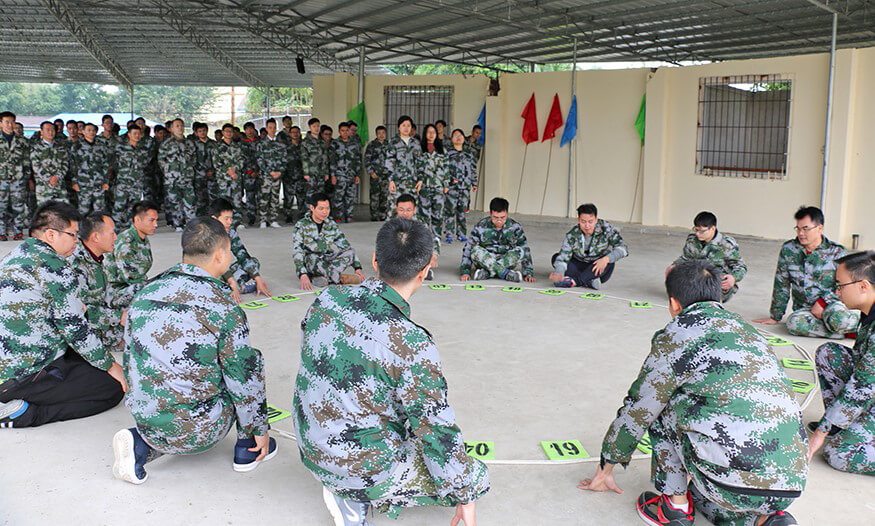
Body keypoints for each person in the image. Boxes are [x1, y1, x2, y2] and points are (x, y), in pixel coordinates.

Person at [579, 260, 808, 526]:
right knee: (714, 490)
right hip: (790, 481)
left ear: (674, 304)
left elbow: (640, 407)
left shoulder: (680, 333)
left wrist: (607, 465)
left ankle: (674, 507)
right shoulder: (750, 332)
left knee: (662, 399)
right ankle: (767, 518)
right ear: (718, 297)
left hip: (727, 481)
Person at [294, 218, 489, 525]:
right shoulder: (411, 343)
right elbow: (436, 430)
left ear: (374, 260)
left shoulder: (328, 298)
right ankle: (351, 497)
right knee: (474, 474)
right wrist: (465, 493)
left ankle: (345, 482)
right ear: (425, 270)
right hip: (355, 466)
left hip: (310, 444)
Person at [112, 217, 275, 484]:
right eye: (229, 251)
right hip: (201, 431)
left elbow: (130, 358)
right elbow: (243, 377)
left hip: (146, 418)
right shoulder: (223, 305)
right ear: (220, 254)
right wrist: (259, 426)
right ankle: (248, 447)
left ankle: (140, 444)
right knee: (245, 366)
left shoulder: (146, 293)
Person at [0, 201, 126, 429]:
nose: (77, 241)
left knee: (87, 363)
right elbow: (75, 330)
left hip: (11, 364)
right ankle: (25, 414)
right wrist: (111, 365)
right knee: (112, 387)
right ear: (51, 234)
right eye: (73, 235)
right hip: (25, 374)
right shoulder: (55, 266)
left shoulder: (15, 256)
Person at [809, 251, 875, 475]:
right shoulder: (868, 312)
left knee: (838, 454)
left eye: (841, 285)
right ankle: (840, 427)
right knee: (830, 354)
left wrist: (821, 433)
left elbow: (862, 385)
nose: (837, 292)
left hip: (869, 388)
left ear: (863, 286)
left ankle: (841, 430)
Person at [753, 206, 860, 338]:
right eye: (798, 228)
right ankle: (846, 334)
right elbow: (781, 284)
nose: (801, 233)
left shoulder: (836, 252)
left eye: (805, 229)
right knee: (794, 324)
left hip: (831, 305)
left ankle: (858, 327)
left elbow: (847, 285)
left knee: (840, 320)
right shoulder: (789, 250)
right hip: (804, 310)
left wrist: (823, 302)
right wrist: (775, 316)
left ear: (819, 228)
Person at [70, 211, 124, 352]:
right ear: (95, 237)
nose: (116, 238)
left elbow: (107, 296)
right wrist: (119, 317)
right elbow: (79, 310)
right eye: (112, 233)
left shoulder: (95, 258)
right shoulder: (77, 265)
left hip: (100, 318)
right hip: (83, 333)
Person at [291, 192, 365, 291]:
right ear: (312, 208)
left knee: (350, 252)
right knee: (313, 258)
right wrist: (302, 274)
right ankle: (338, 278)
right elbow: (297, 250)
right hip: (312, 262)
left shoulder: (331, 224)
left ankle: (325, 278)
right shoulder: (301, 225)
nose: (325, 212)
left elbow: (345, 245)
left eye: (327, 208)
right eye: (321, 209)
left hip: (327, 259)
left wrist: (357, 268)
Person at [668, 211, 747, 302]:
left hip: (716, 282)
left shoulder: (726, 244)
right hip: (697, 278)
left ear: (712, 228)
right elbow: (686, 258)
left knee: (704, 300)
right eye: (696, 230)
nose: (697, 234)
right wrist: (673, 266)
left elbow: (740, 266)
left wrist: (733, 278)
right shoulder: (692, 240)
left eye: (702, 231)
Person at [548, 203, 628, 289]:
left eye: (590, 222)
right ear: (578, 220)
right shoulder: (573, 234)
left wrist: (606, 259)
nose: (587, 226)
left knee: (610, 262)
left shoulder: (607, 229)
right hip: (579, 264)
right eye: (583, 222)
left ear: (596, 220)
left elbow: (623, 248)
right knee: (556, 258)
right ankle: (589, 281)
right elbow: (563, 257)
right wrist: (559, 274)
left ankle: (575, 281)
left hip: (597, 266)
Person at [210, 199, 272, 302]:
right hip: (210, 273)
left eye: (231, 218)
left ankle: (237, 286)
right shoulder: (206, 234)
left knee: (253, 263)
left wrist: (258, 278)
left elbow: (242, 255)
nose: (230, 222)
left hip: (223, 271)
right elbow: (217, 263)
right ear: (214, 219)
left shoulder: (230, 232)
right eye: (226, 219)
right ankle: (238, 287)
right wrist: (232, 282)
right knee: (213, 289)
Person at [460, 197, 534, 283]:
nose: (499, 221)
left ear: (507, 213)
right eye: (495, 217)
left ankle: (488, 273)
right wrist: (465, 272)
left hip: (506, 260)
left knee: (520, 251)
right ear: (490, 213)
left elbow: (524, 248)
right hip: (486, 261)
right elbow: (469, 248)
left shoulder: (515, 227)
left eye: (502, 217)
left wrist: (528, 273)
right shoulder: (481, 226)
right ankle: (505, 274)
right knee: (475, 250)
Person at [104, 201, 157, 310]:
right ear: (137, 220)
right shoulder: (126, 243)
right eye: (151, 220)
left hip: (132, 287)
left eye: (156, 220)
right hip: (116, 292)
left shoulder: (141, 238)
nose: (155, 224)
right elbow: (130, 278)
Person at [158, 118, 197, 231]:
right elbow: (161, 160)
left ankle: (191, 223)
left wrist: (189, 170)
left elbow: (194, 159)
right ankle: (178, 224)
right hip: (172, 179)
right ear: (171, 129)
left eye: (181, 126)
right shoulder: (166, 144)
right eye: (177, 126)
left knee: (190, 201)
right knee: (174, 202)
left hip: (187, 178)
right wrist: (169, 172)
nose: (180, 128)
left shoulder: (189, 143)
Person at [0, 111, 30, 241]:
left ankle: (18, 231)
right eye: (7, 122)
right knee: (1, 207)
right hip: (1, 180)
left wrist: (25, 178)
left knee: (18, 207)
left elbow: (27, 161)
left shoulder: (22, 141)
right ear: (0, 124)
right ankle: (1, 232)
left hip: (18, 180)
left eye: (12, 122)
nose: (10, 125)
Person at [444, 129, 478, 244]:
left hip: (465, 187)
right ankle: (449, 234)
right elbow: (444, 169)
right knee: (450, 211)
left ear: (464, 138)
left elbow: (472, 169)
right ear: (451, 139)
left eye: (460, 135)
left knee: (462, 212)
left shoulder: (469, 153)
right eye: (455, 135)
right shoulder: (447, 153)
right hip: (452, 187)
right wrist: (448, 181)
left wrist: (474, 182)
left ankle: (462, 234)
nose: (458, 137)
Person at [416, 123, 449, 240]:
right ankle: (424, 237)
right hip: (424, 186)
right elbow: (416, 167)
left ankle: (436, 237)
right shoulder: (419, 149)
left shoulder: (442, 150)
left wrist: (446, 184)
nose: (431, 134)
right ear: (425, 134)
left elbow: (446, 168)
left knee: (438, 214)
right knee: (423, 214)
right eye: (429, 132)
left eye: (433, 132)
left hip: (438, 186)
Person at [112, 125, 150, 225]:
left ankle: (130, 226)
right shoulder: (120, 147)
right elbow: (114, 163)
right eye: (134, 133)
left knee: (134, 207)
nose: (137, 136)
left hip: (137, 183)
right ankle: (115, 228)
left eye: (139, 134)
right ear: (129, 134)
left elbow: (145, 163)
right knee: (119, 206)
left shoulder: (143, 149)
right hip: (123, 182)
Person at [396, 194, 440, 280]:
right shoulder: (391, 222)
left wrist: (434, 256)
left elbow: (434, 240)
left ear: (414, 210)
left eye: (408, 210)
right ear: (396, 208)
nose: (405, 213)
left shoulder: (420, 223)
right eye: (401, 210)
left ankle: (421, 270)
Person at [210, 123, 245, 229]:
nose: (229, 133)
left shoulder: (237, 146)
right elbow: (216, 163)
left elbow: (241, 160)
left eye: (231, 131)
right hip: (223, 179)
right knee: (224, 201)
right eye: (226, 131)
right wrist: (228, 171)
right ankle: (223, 222)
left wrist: (234, 170)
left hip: (235, 178)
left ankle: (237, 222)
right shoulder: (217, 147)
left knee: (237, 201)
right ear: (223, 132)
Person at [71, 123, 109, 215]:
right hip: (83, 183)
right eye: (89, 130)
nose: (91, 132)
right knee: (83, 210)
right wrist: (74, 182)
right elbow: (73, 165)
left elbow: (105, 164)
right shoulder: (77, 146)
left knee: (99, 209)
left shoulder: (101, 145)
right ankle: (82, 224)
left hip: (98, 182)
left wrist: (106, 181)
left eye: (93, 130)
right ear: (83, 132)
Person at [384, 115, 421, 211]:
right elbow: (389, 161)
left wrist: (420, 179)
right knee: (394, 209)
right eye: (403, 125)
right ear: (399, 127)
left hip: (412, 182)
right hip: (397, 182)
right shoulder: (393, 142)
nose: (406, 128)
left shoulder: (416, 143)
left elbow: (420, 162)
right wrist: (391, 180)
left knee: (411, 210)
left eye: (408, 125)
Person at [257, 118, 288, 229]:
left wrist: (280, 172)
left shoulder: (281, 144)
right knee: (264, 198)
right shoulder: (261, 144)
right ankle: (263, 220)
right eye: (270, 128)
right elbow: (260, 160)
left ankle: (273, 220)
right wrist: (269, 171)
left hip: (277, 176)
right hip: (266, 176)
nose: (272, 130)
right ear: (266, 129)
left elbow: (285, 160)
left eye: (274, 127)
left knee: (275, 198)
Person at [30, 121, 70, 204]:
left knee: (63, 208)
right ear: (42, 131)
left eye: (52, 130)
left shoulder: (61, 146)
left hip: (59, 185)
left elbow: (65, 163)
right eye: (47, 130)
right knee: (45, 209)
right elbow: (36, 166)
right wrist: (49, 178)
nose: (50, 132)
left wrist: (58, 176)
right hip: (44, 187)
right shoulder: (36, 147)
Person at [330, 122, 361, 223]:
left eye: (347, 130)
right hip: (339, 175)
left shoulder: (354, 144)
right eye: (342, 131)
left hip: (351, 175)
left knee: (350, 197)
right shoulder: (335, 143)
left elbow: (357, 160)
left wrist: (357, 174)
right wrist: (333, 175)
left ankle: (349, 216)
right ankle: (338, 217)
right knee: (338, 197)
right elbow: (332, 160)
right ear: (339, 131)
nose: (345, 133)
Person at [365, 125, 390, 221]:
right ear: (376, 134)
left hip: (386, 175)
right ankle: (374, 215)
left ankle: (383, 215)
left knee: (385, 196)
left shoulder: (389, 145)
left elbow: (393, 160)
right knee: (374, 196)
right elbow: (367, 159)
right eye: (379, 133)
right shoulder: (371, 145)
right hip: (375, 175)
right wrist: (371, 172)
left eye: (383, 133)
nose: (381, 135)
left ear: (386, 134)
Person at [301, 117, 328, 198]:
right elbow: (304, 158)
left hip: (321, 173)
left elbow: (325, 158)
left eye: (318, 126)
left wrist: (326, 173)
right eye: (314, 126)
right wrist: (306, 173)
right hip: (311, 173)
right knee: (310, 194)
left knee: (320, 195)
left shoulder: (322, 142)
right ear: (310, 127)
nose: (316, 128)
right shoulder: (305, 142)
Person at [191, 122, 215, 215]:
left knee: (213, 196)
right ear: (196, 133)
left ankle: (212, 216)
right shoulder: (193, 145)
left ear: (207, 131)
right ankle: (201, 217)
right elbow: (192, 160)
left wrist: (212, 170)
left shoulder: (213, 144)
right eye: (200, 131)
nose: (202, 133)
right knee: (200, 198)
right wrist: (202, 171)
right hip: (199, 175)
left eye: (204, 130)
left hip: (212, 175)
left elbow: (217, 160)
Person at [240, 122, 261, 226]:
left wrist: (259, 171)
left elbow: (264, 157)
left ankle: (262, 217)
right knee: (250, 196)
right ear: (245, 131)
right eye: (247, 129)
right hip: (248, 175)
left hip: (260, 174)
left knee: (261, 196)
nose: (250, 131)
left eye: (251, 129)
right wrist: (250, 171)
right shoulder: (242, 144)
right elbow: (241, 160)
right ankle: (251, 216)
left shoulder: (260, 143)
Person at [283, 125, 303, 222]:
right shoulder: (286, 147)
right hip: (289, 177)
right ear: (289, 134)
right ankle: (288, 216)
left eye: (297, 132)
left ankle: (302, 216)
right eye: (293, 132)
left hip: (301, 176)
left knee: (301, 198)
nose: (295, 134)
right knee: (288, 198)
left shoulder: (303, 146)